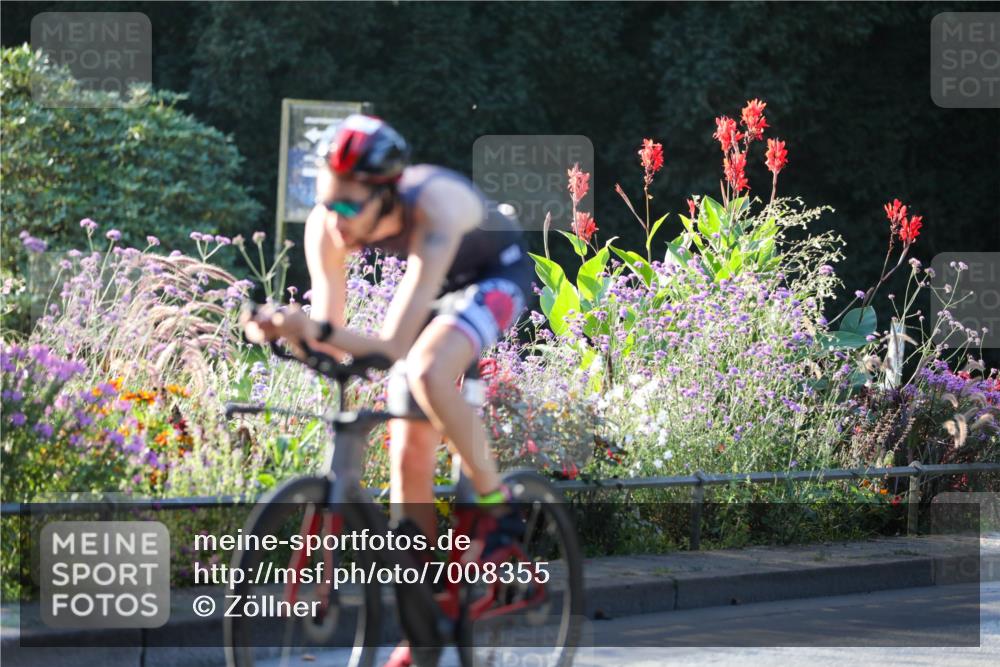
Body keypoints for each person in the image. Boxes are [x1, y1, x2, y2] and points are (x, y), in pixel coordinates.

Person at [242, 114, 531, 666]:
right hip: (432, 295)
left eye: (349, 206)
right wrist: (289, 331)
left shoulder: (434, 206)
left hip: (492, 275)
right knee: (408, 451)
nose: (336, 219)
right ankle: (424, 623)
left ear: (386, 194)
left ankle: (498, 508)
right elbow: (332, 334)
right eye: (326, 201)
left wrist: (316, 331)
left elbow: (396, 344)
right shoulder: (327, 225)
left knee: (424, 372)